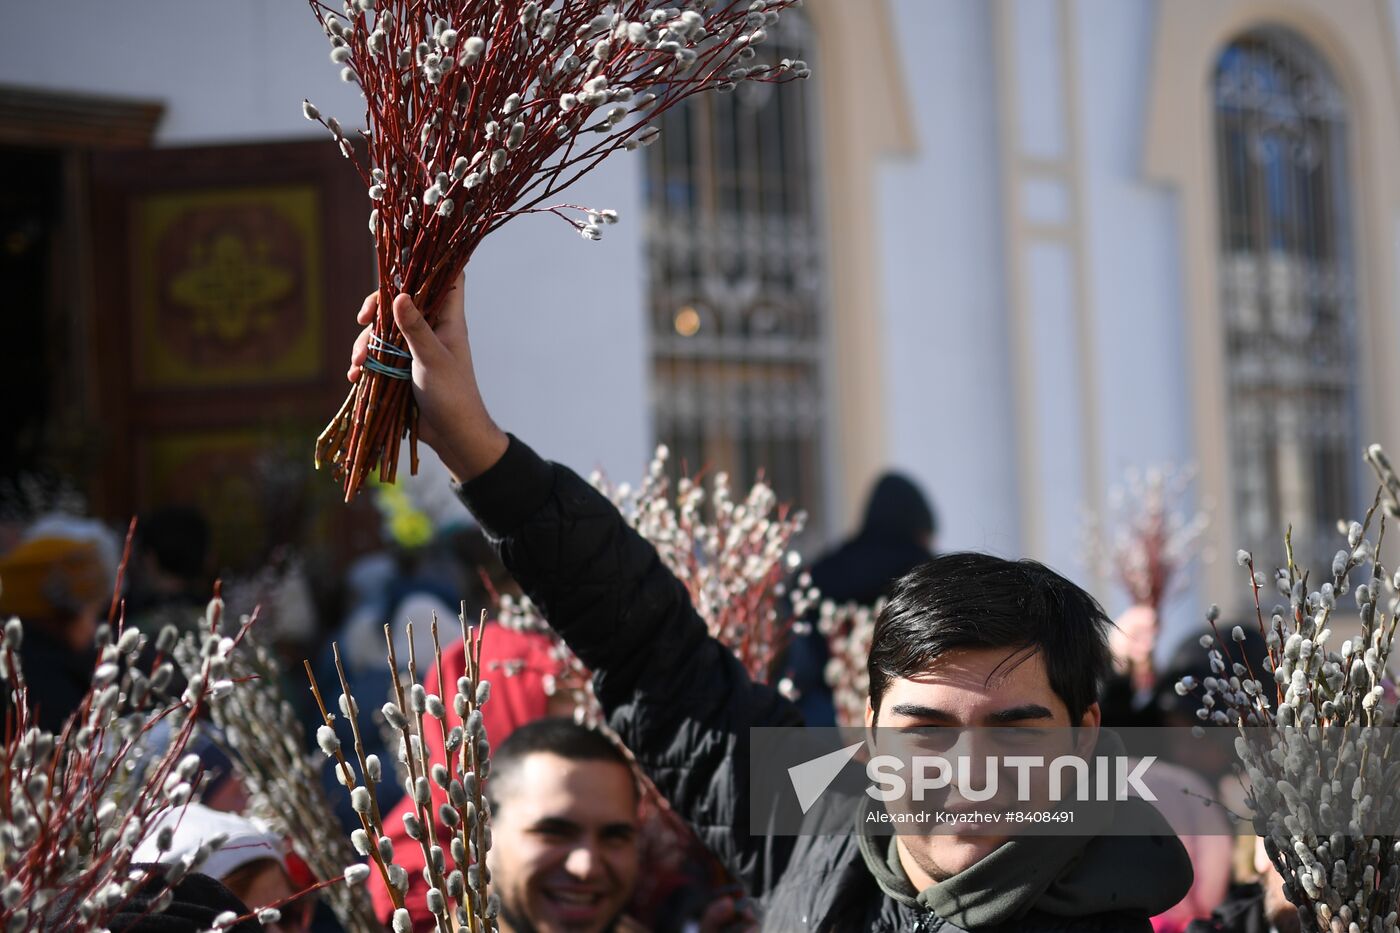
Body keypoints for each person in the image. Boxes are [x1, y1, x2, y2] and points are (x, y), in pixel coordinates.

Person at [345, 279, 1193, 931]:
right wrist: (476, 450)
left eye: (1015, 728)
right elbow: (650, 650)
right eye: (926, 726)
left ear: (1084, 736)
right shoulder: (821, 829)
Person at [786, 472, 936, 725]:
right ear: (921, 528)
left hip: (822, 707)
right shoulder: (924, 573)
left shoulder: (825, 570)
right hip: (898, 703)